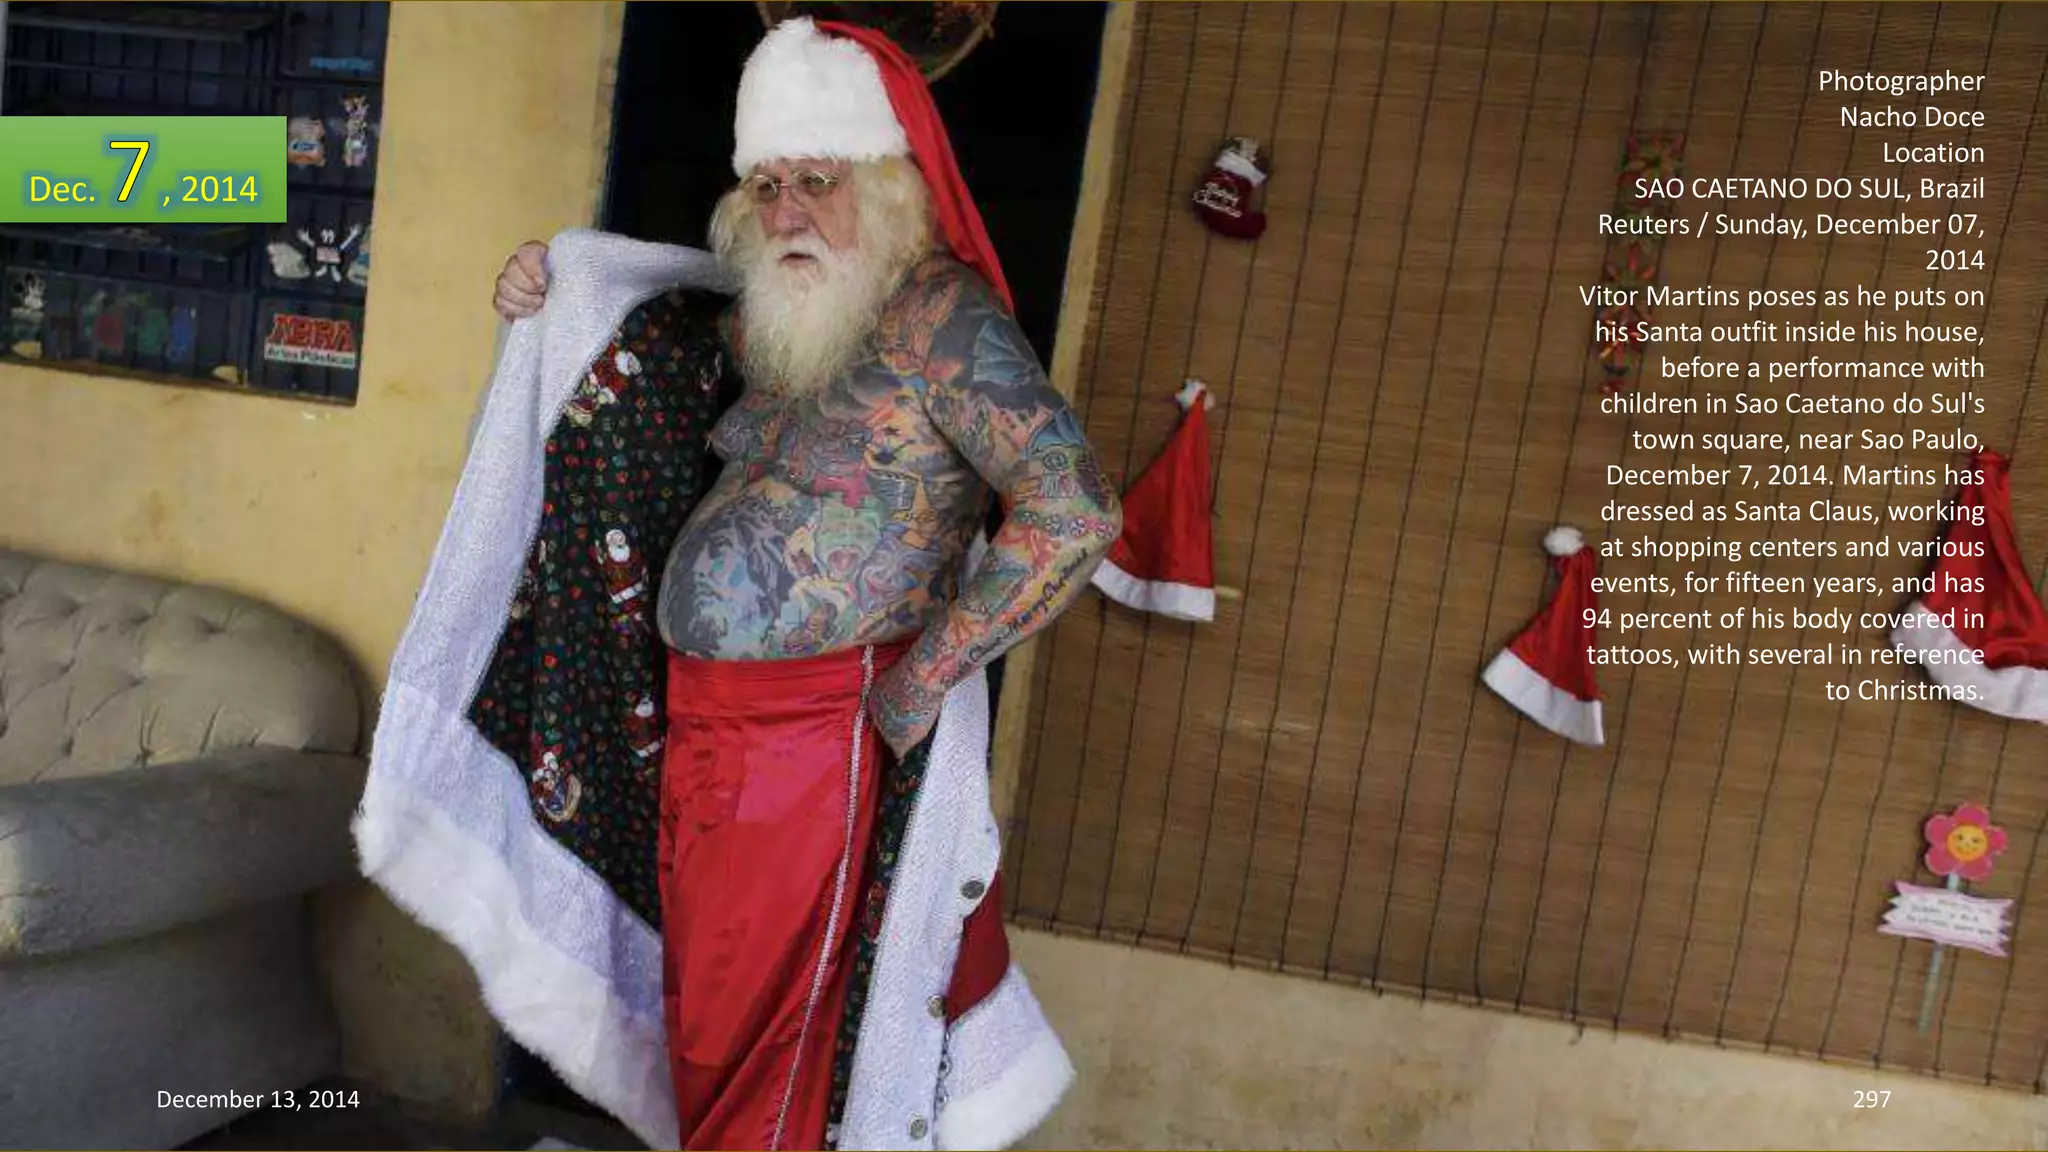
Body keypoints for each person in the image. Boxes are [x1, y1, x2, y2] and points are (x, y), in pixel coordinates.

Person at [493, 18, 1118, 1151]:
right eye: (767, 183)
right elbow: (643, 348)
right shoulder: (789, 317)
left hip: (809, 738)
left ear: (884, 187)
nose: (784, 210)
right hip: (701, 732)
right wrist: (550, 288)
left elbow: (1071, 505)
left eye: (816, 180)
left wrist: (924, 675)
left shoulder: (937, 313)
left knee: (777, 1051)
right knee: (705, 1032)